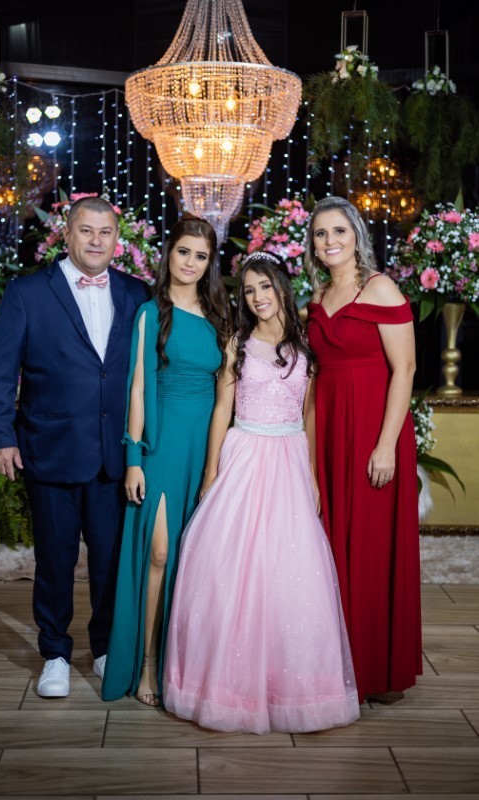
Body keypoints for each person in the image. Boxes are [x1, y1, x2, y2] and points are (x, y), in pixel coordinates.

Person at [162, 251, 360, 734]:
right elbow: (222, 407)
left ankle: (290, 688)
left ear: (281, 287)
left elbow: (309, 412)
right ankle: (226, 688)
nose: (257, 297)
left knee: (291, 570)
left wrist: (312, 474)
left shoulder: (306, 343)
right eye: (249, 290)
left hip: (289, 457)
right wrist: (211, 471)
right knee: (228, 564)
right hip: (245, 453)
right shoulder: (237, 342)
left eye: (264, 286)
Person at [0, 195, 150, 698]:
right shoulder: (28, 292)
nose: (97, 241)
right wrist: (0, 436)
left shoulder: (137, 292)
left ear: (117, 239)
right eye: (87, 231)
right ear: (67, 233)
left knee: (110, 561)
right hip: (49, 448)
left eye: (106, 232)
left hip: (114, 454)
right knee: (54, 561)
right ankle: (54, 653)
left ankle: (104, 648)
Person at [101, 213, 231, 706]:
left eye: (201, 256)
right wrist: (133, 457)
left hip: (206, 446)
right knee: (157, 553)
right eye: (184, 252)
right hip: (160, 445)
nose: (191, 263)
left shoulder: (221, 318)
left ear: (209, 263)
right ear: (169, 253)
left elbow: (229, 393)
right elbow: (137, 387)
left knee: (196, 561)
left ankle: (186, 668)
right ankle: (147, 665)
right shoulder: (150, 313)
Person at [305, 195, 422, 705]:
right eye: (320, 233)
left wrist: (386, 445)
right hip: (329, 431)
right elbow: (312, 381)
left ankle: (377, 669)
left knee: (372, 548)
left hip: (375, 431)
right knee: (330, 544)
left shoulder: (380, 288)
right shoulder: (317, 295)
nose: (330, 241)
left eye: (339, 231)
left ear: (356, 236)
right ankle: (337, 664)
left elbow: (406, 369)